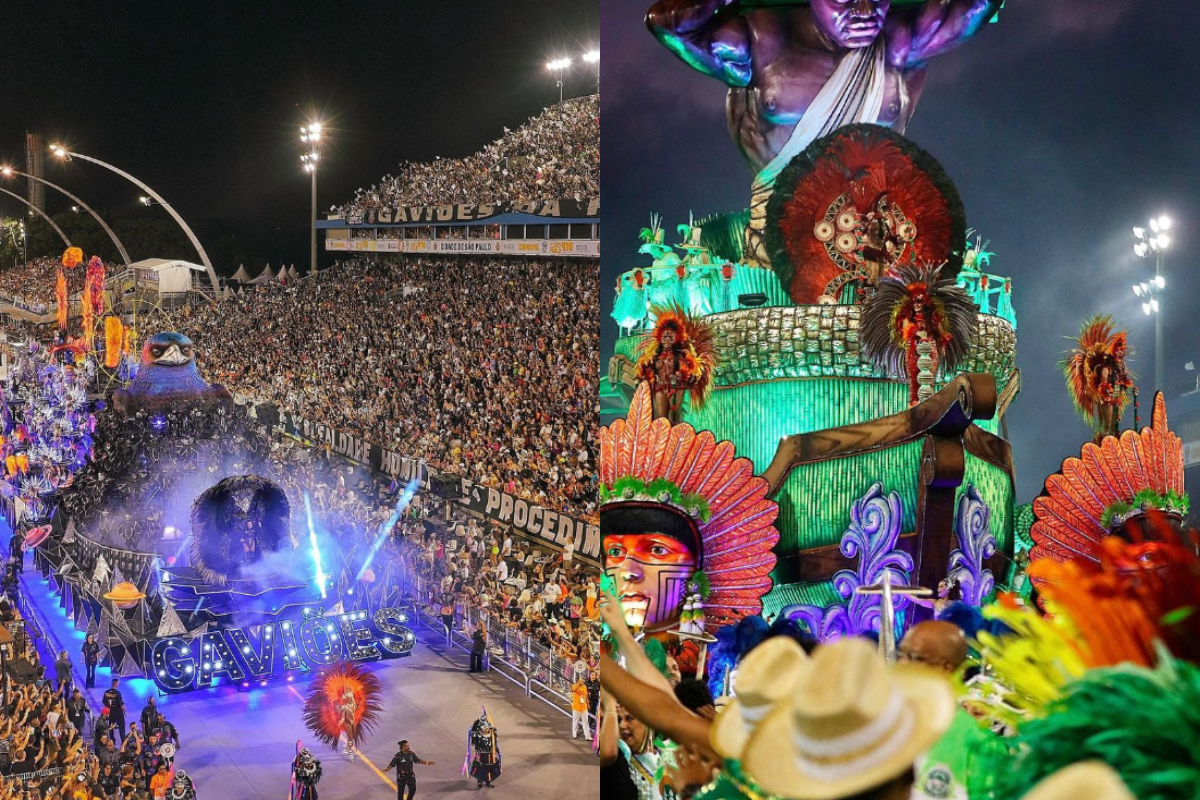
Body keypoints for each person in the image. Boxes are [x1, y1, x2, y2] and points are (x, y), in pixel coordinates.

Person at [464, 709, 501, 789]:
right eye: (484, 729)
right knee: (480, 768)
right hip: (481, 754)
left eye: (487, 728)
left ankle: (488, 782)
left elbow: (495, 743)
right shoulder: (478, 735)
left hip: (490, 755)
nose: (486, 730)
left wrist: (496, 750)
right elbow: (474, 742)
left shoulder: (492, 733)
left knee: (490, 768)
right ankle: (479, 782)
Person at [570, 676, 592, 740]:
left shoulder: (584, 687)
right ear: (578, 681)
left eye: (583, 680)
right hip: (576, 707)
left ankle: (587, 736)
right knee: (575, 721)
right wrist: (578, 684)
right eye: (581, 680)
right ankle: (574, 733)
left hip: (584, 707)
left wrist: (588, 704)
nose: (582, 681)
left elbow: (586, 696)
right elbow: (573, 689)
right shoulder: (574, 685)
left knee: (586, 722)